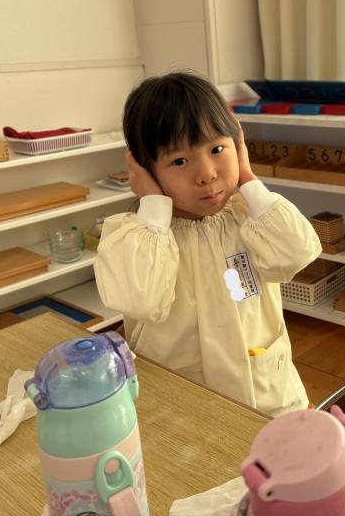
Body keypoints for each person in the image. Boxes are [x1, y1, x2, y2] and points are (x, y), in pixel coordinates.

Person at [95, 72, 321, 417]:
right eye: (179, 161)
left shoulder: (250, 216)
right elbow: (140, 299)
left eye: (217, 149)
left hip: (267, 396)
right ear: (144, 169)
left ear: (237, 144)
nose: (207, 174)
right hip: (182, 411)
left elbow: (298, 253)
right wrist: (153, 205)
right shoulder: (139, 237)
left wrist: (247, 176)